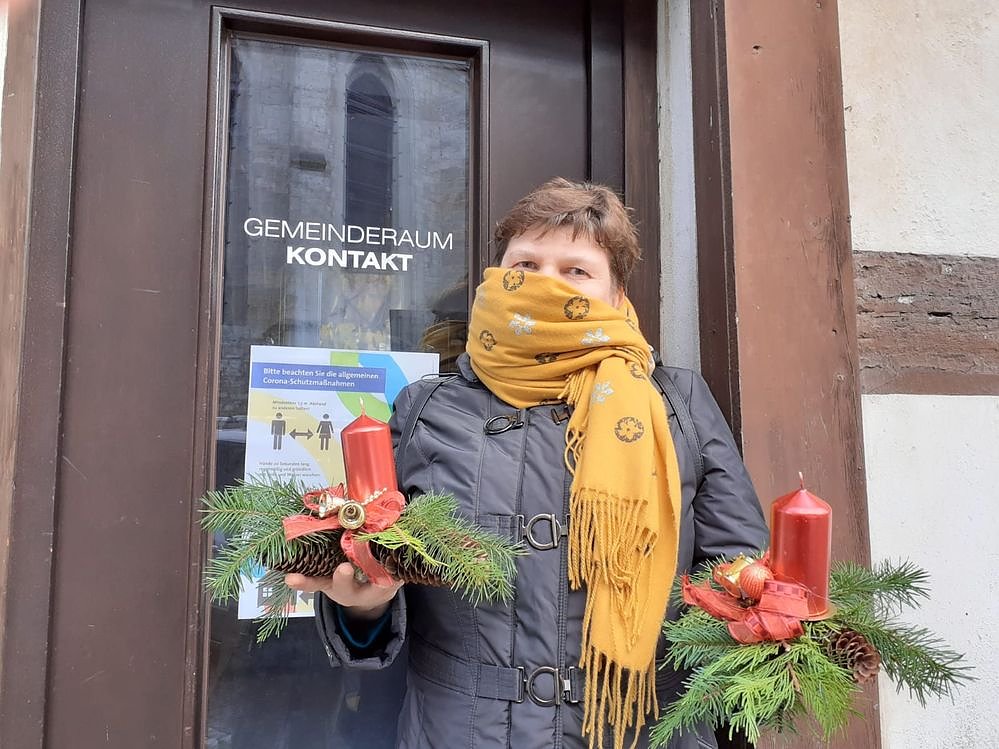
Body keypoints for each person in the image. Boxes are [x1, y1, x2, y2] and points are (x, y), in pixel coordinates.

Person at [286, 178, 769, 749]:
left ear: (617, 296)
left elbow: (737, 572)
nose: (546, 284)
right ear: (497, 276)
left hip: (639, 729)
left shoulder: (677, 403)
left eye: (576, 270)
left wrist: (776, 644)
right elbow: (376, 556)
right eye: (527, 264)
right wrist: (364, 608)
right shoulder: (425, 408)